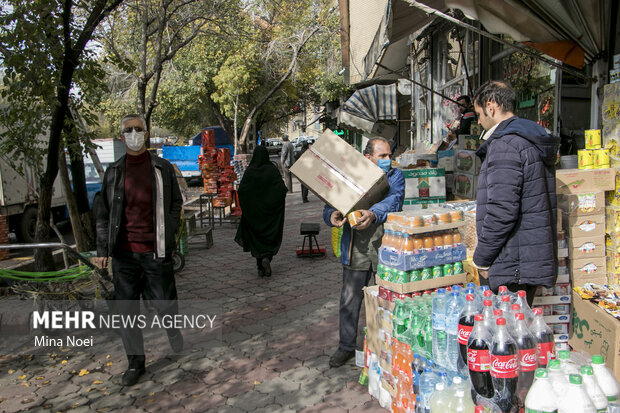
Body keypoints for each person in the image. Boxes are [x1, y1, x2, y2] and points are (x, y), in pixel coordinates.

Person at [92, 114, 183, 386]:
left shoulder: (162, 168)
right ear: (122, 136)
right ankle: (135, 362)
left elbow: (176, 203)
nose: (133, 133)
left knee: (164, 302)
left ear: (146, 133)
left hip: (155, 251)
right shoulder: (114, 172)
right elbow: (103, 214)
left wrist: (168, 230)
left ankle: (173, 330)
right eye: (128, 130)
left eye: (138, 129)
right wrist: (102, 250)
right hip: (124, 255)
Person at [472, 81, 559, 307]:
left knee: (507, 334)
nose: (478, 120)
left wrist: (481, 258)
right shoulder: (526, 138)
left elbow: (502, 210)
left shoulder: (506, 145)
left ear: (490, 107)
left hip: (512, 261)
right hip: (523, 257)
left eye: (478, 114)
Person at [323, 137, 405, 367]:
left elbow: (394, 201)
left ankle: (387, 348)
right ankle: (346, 346)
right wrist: (331, 215)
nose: (389, 160)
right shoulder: (350, 178)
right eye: (383, 156)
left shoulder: (395, 176)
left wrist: (372, 214)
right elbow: (329, 205)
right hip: (356, 249)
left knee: (386, 302)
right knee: (349, 300)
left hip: (384, 250)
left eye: (390, 156)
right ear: (367, 157)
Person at [235, 146, 287, 277]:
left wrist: (250, 207)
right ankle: (267, 258)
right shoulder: (272, 170)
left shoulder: (250, 171)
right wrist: (273, 203)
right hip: (270, 215)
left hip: (254, 215)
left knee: (256, 239)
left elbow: (242, 191)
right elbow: (282, 190)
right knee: (270, 238)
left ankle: (260, 265)